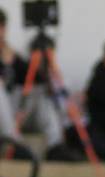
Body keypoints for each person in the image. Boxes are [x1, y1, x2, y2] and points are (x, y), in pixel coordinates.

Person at [0, 9, 75, 160]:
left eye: (2, 27)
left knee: (42, 90)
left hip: (17, 111)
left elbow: (33, 79)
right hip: (3, 117)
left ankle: (55, 146)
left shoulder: (12, 54)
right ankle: (12, 143)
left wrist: (46, 65)